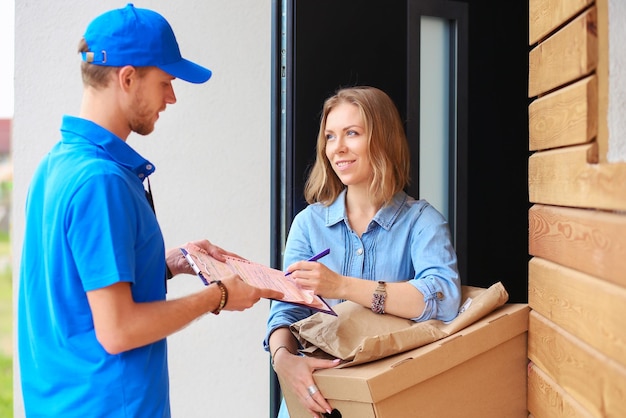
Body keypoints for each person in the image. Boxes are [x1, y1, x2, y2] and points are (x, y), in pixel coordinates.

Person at [17, 4, 283, 417]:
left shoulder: (56, 164)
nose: (172, 97)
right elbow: (118, 330)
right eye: (165, 82)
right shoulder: (100, 181)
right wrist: (220, 295)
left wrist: (170, 263)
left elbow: (82, 287)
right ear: (127, 78)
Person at [265, 86, 462, 417]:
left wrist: (342, 286)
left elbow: (443, 298)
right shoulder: (308, 224)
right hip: (314, 395)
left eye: (352, 133)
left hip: (389, 399)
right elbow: (286, 311)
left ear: (382, 138)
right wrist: (284, 361)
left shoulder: (421, 222)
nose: (337, 148)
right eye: (330, 136)